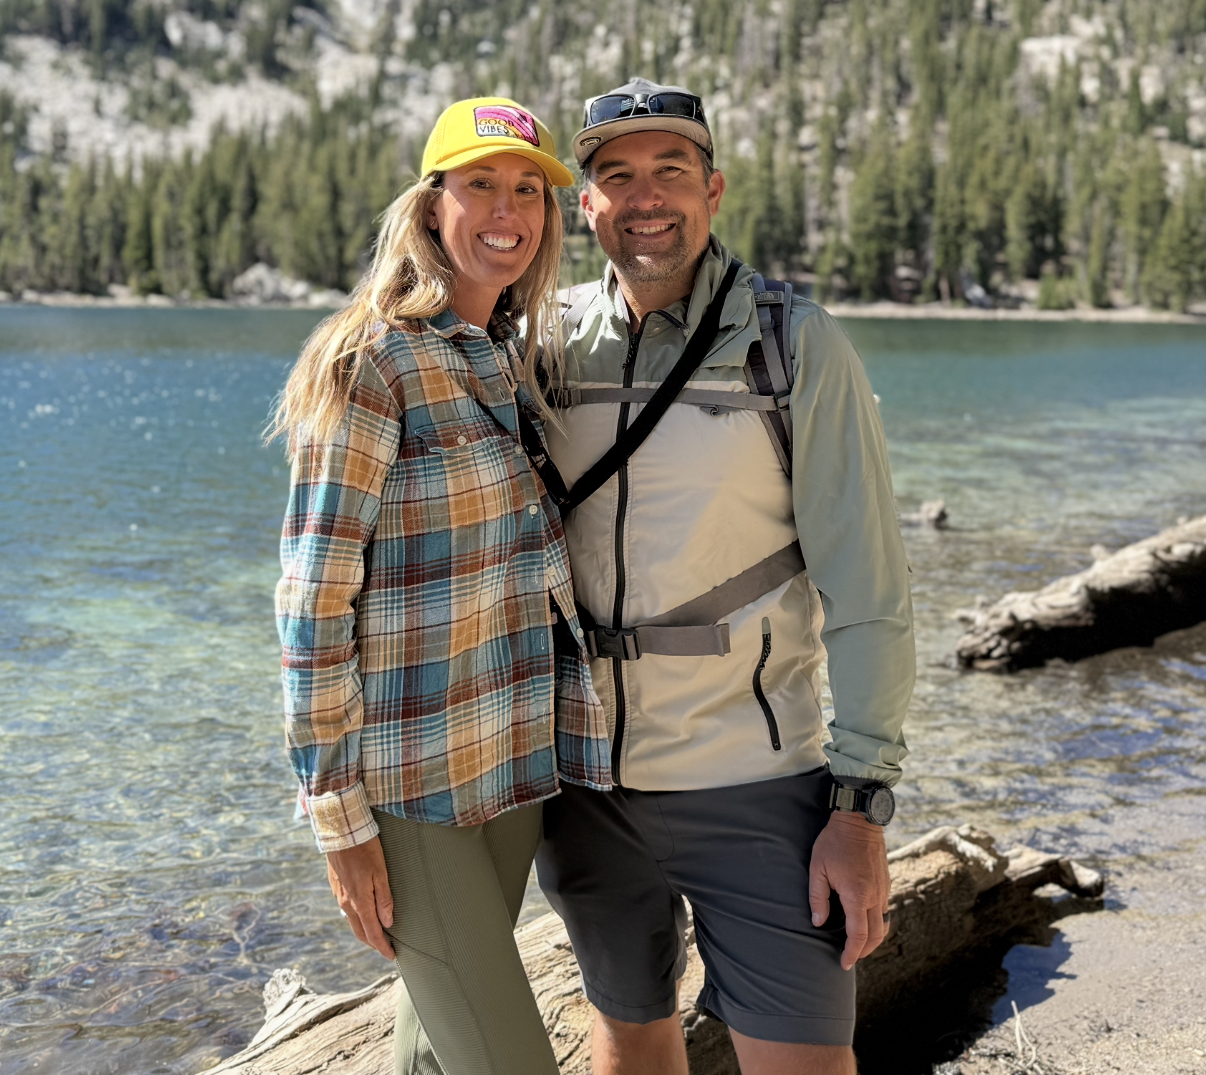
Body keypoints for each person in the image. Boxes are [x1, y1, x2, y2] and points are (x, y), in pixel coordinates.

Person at [534, 78, 916, 1075]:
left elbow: (870, 593)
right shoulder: (543, 346)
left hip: (759, 788)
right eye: (616, 176)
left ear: (714, 189)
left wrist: (860, 804)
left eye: (669, 171)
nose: (644, 196)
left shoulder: (794, 345)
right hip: (586, 793)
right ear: (587, 207)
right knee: (628, 1046)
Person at [271, 97, 610, 1075]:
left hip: (506, 768)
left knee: (433, 1059)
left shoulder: (502, 358)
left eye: (526, 190)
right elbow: (311, 602)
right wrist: (337, 822)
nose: (507, 208)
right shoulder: (370, 358)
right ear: (430, 207)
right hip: (412, 791)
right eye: (479, 185)